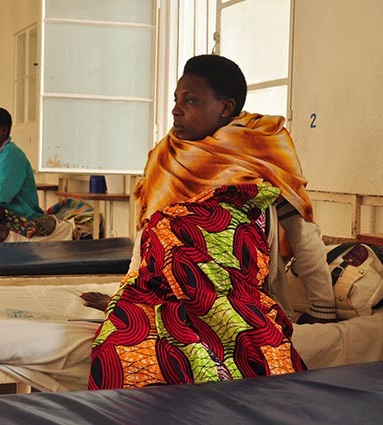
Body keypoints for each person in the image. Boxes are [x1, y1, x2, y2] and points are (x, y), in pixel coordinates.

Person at [84, 54, 336, 391]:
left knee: (227, 348)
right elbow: (150, 234)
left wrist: (323, 308)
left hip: (239, 294)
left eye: (190, 101)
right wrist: (129, 293)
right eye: (176, 99)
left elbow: (302, 233)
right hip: (166, 291)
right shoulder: (166, 156)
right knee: (126, 347)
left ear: (226, 107)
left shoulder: (261, 151)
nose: (176, 109)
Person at [0, 107, 44, 220]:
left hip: (21, 215)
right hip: (6, 211)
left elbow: (1, 195)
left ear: (3, 130)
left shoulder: (11, 155)